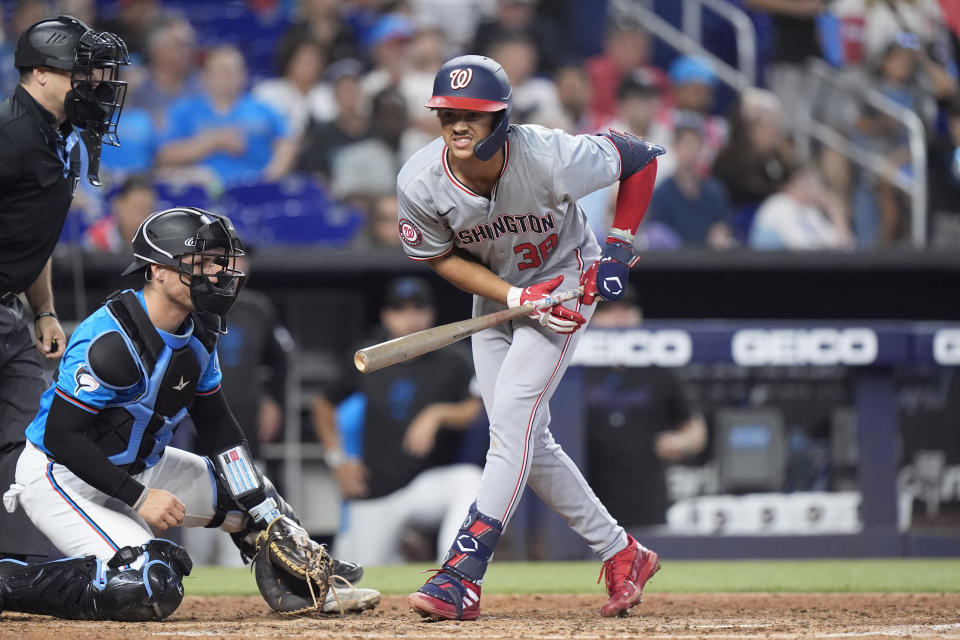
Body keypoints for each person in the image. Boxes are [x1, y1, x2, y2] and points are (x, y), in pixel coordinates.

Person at [0, 207, 374, 620]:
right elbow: (61, 438)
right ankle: (11, 583)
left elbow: (219, 429)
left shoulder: (201, 329)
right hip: (59, 476)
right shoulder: (110, 340)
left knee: (258, 497)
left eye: (217, 261)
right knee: (148, 586)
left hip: (137, 467)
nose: (216, 272)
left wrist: (264, 514)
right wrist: (139, 498)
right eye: (202, 263)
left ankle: (307, 591)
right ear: (159, 271)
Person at [397, 54, 662, 621]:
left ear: (501, 120)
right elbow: (440, 256)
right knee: (523, 443)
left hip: (565, 281)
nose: (458, 125)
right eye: (447, 114)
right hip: (499, 295)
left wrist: (617, 243)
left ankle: (462, 573)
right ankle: (623, 552)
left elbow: (640, 157)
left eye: (473, 114)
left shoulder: (546, 154)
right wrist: (512, 297)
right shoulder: (419, 181)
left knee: (513, 417)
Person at [0, 14, 129, 562]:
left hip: (11, 315)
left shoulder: (60, 141)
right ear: (41, 74)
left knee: (33, 439)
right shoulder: (8, 135)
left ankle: (29, 567)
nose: (94, 85)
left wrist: (44, 311)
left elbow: (34, 237)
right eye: (83, 73)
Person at [313, 276, 483, 566]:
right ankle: (406, 546)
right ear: (386, 315)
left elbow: (473, 409)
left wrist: (437, 414)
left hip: (424, 485)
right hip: (376, 490)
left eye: (418, 309)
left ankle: (453, 572)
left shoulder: (452, 357)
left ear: (431, 313)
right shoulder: (369, 355)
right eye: (400, 310)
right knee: (359, 575)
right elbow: (323, 405)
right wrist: (338, 460)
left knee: (470, 480)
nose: (410, 319)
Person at [582, 289, 707, 527]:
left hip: (646, 493)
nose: (619, 318)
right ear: (593, 318)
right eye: (608, 311)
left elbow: (695, 430)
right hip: (587, 490)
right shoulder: (574, 368)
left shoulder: (659, 368)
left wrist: (680, 442)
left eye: (626, 310)